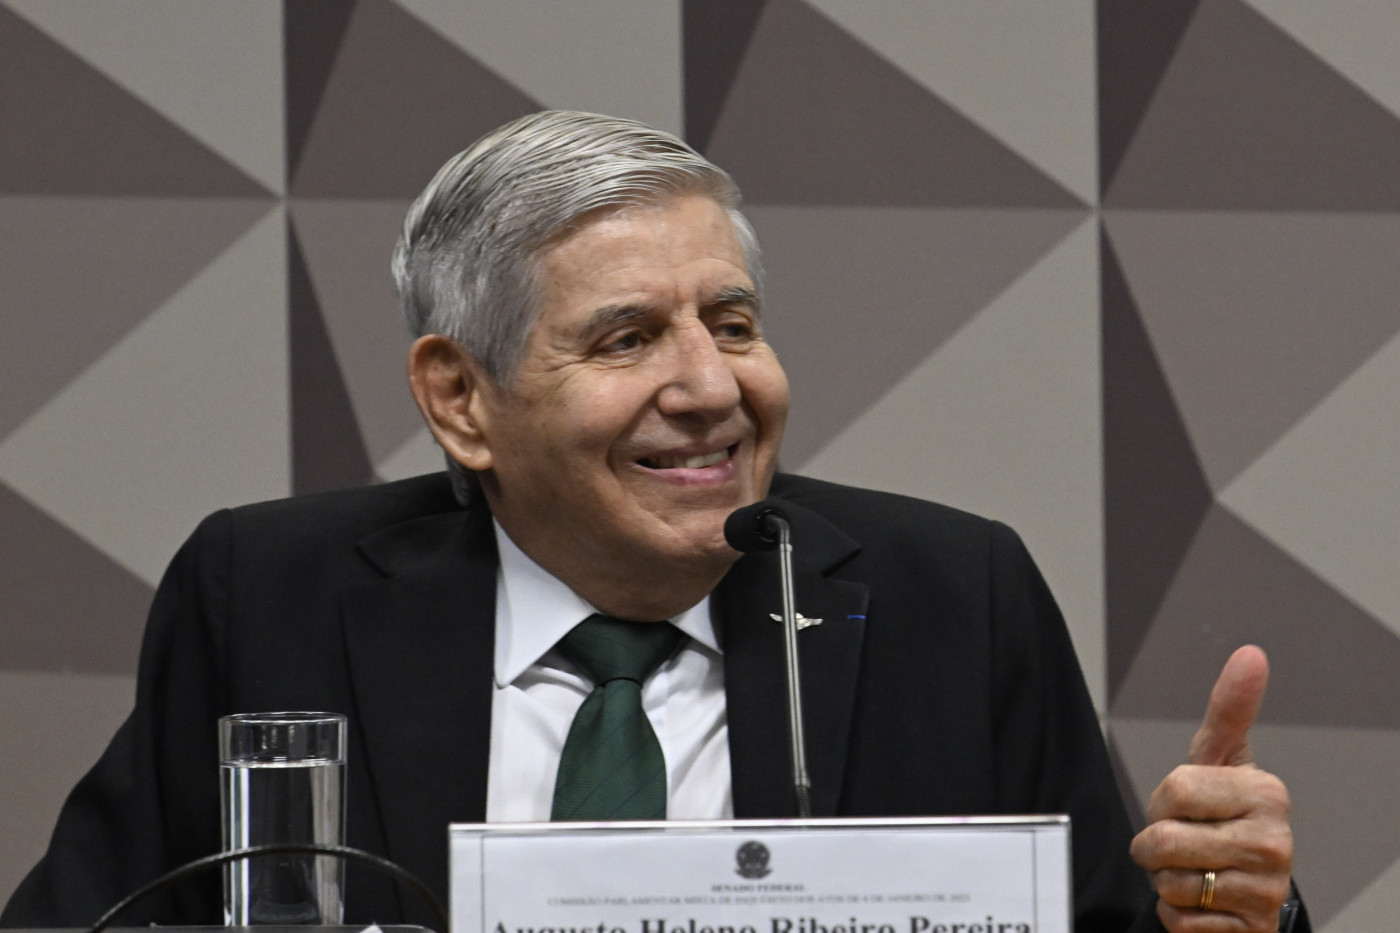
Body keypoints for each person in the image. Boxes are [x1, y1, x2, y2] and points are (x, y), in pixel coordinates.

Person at [2, 111, 1299, 933]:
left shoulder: (951, 596)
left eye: (731, 324)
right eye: (627, 338)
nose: (711, 387)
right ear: (460, 399)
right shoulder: (271, 593)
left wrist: (1233, 919)